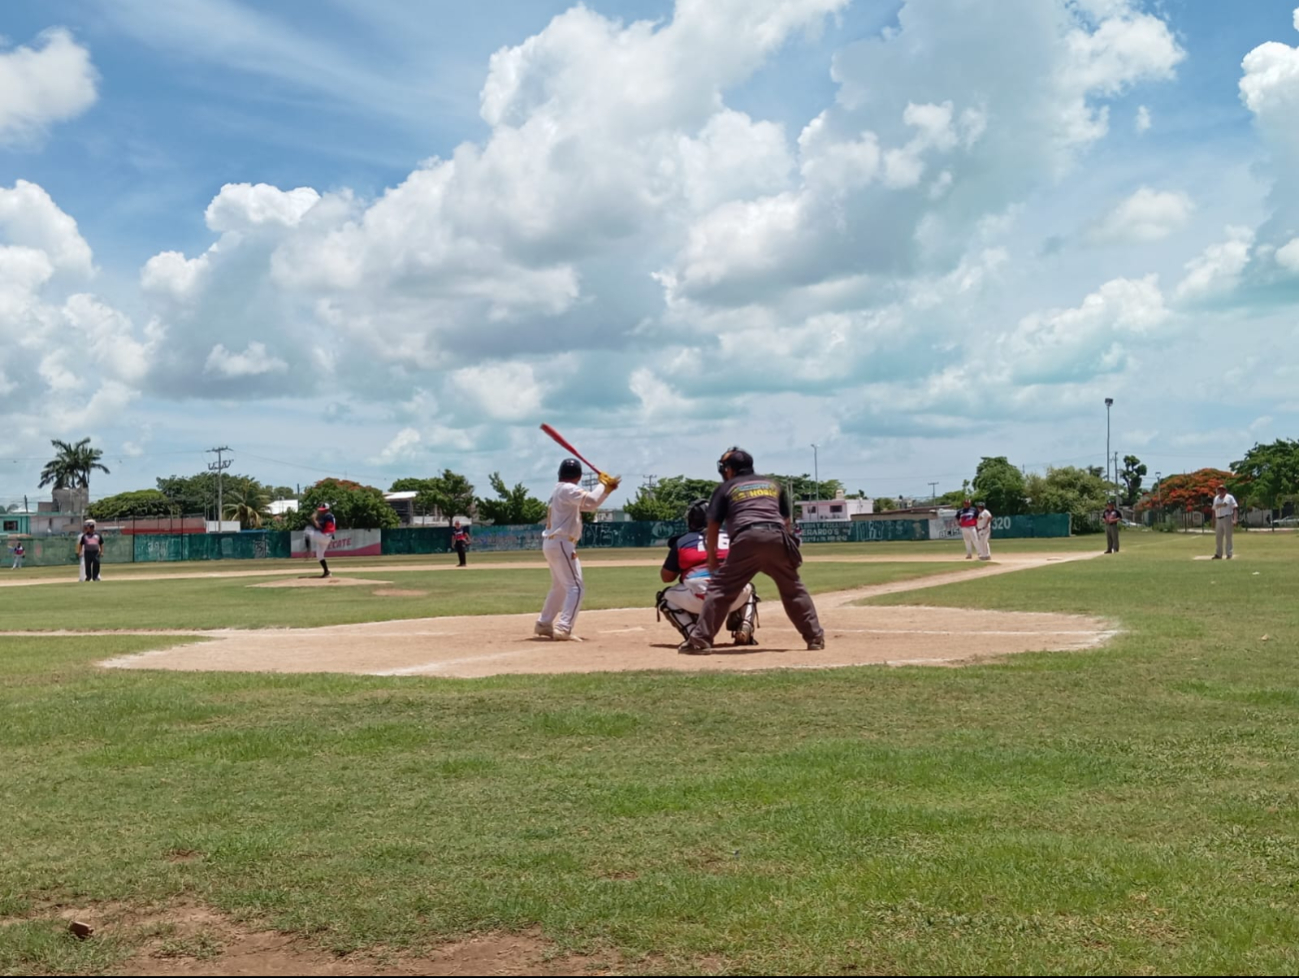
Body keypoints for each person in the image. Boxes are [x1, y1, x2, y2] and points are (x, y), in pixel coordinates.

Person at [679, 447, 824, 654]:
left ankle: (700, 640)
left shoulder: (726, 488)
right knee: (793, 589)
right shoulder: (772, 484)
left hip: (747, 538)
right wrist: (788, 547)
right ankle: (815, 637)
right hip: (777, 537)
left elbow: (712, 525)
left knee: (720, 590)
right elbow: (786, 521)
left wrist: (712, 558)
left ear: (729, 469)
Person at [535, 459, 620, 641]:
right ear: (579, 476)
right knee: (576, 587)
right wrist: (602, 485)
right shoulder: (567, 489)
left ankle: (544, 623)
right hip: (561, 542)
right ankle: (564, 627)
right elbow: (591, 500)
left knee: (560, 587)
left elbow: (589, 505)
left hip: (553, 542)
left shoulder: (559, 489)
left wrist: (604, 489)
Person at [656, 498, 760, 646]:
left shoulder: (682, 541)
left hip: (700, 599)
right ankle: (745, 626)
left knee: (665, 598)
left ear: (692, 519)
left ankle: (695, 635)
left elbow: (666, 577)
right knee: (748, 587)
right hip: (733, 598)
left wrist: (685, 566)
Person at [307, 503, 337, 578]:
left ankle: (308, 550)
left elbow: (318, 526)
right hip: (327, 537)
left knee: (307, 531)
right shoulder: (330, 516)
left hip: (325, 536)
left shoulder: (327, 516)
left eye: (324, 510)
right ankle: (327, 572)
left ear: (328, 510)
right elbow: (320, 527)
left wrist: (314, 519)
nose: (322, 511)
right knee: (319, 555)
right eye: (322, 510)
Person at [1212, 483, 1238, 560]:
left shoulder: (1229, 497)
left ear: (1225, 490)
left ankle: (1229, 553)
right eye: (1219, 489)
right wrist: (1213, 520)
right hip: (1218, 519)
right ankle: (1218, 554)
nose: (1220, 491)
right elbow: (1214, 509)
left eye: (1222, 489)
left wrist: (1235, 519)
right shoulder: (1216, 498)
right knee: (1218, 538)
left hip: (1227, 517)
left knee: (1228, 536)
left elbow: (1234, 508)